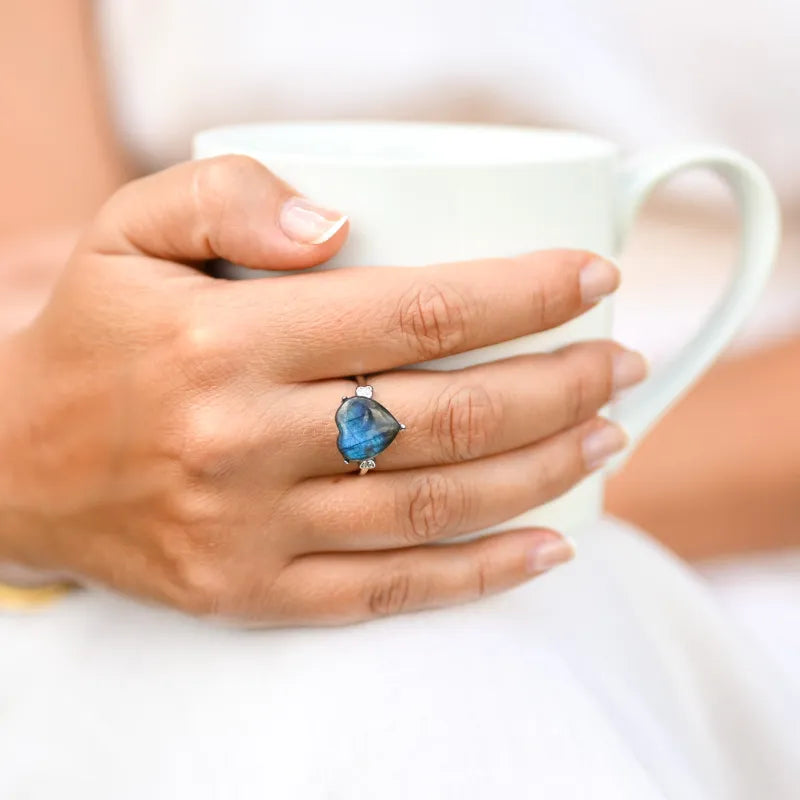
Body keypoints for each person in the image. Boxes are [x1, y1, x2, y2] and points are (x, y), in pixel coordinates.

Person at [0, 1, 797, 798]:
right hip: (160, 521)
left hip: (715, 542)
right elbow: (47, 288)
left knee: (438, 671)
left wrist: (468, 497)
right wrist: (43, 469)